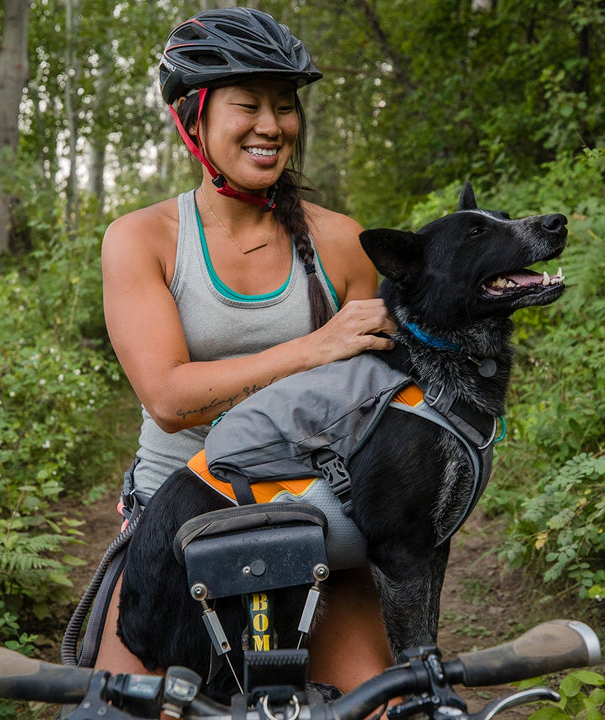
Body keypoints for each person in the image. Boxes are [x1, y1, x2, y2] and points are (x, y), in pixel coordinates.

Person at [95, 6, 398, 695]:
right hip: (178, 514)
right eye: (249, 105)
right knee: (120, 709)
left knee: (386, 705)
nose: (271, 125)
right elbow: (169, 400)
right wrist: (312, 349)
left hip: (313, 512)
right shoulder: (143, 239)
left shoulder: (341, 242)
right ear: (193, 118)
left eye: (285, 107)